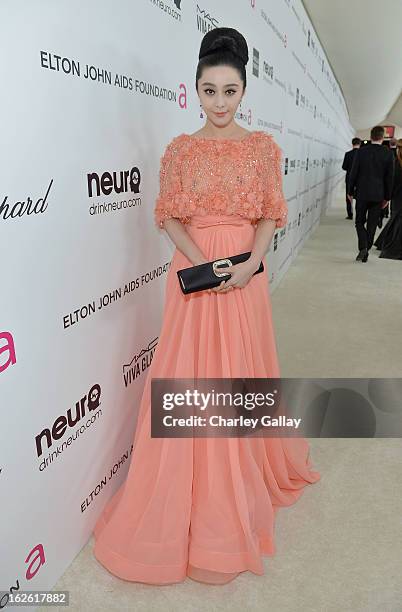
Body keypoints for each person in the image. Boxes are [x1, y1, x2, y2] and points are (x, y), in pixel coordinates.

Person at [92, 27, 320, 586]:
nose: (220, 101)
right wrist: (207, 265)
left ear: (245, 91)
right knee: (191, 372)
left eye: (230, 90)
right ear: (194, 89)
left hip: (247, 272)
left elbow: (270, 212)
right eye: (209, 89)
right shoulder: (180, 149)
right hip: (195, 274)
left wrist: (247, 264)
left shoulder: (264, 148)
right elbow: (169, 215)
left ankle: (238, 475)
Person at [347, 125, 394, 262]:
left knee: (359, 222)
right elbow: (389, 178)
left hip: (361, 193)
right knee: (372, 224)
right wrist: (387, 197)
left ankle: (363, 248)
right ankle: (366, 248)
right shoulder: (388, 154)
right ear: (383, 136)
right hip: (378, 195)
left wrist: (350, 191)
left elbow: (353, 173)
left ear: (371, 136)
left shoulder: (361, 152)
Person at [374, 138, 402, 259]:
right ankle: (390, 245)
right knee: (397, 220)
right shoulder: (395, 162)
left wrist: (387, 197)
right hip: (397, 196)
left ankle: (385, 242)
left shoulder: (395, 162)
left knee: (396, 219)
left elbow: (390, 182)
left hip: (397, 196)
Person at [342, 137, 361, 219]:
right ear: (360, 144)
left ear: (352, 144)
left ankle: (350, 214)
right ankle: (360, 215)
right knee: (360, 197)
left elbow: (344, 167)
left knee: (349, 196)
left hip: (349, 178)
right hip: (360, 179)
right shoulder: (363, 154)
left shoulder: (347, 154)